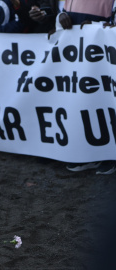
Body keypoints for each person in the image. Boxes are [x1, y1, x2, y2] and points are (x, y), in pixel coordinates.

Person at [54, 0, 116, 174]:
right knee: (82, 100)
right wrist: (60, 17)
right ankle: (87, 154)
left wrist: (102, 26)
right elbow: (58, 10)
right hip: (77, 48)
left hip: (103, 47)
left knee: (105, 99)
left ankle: (110, 155)